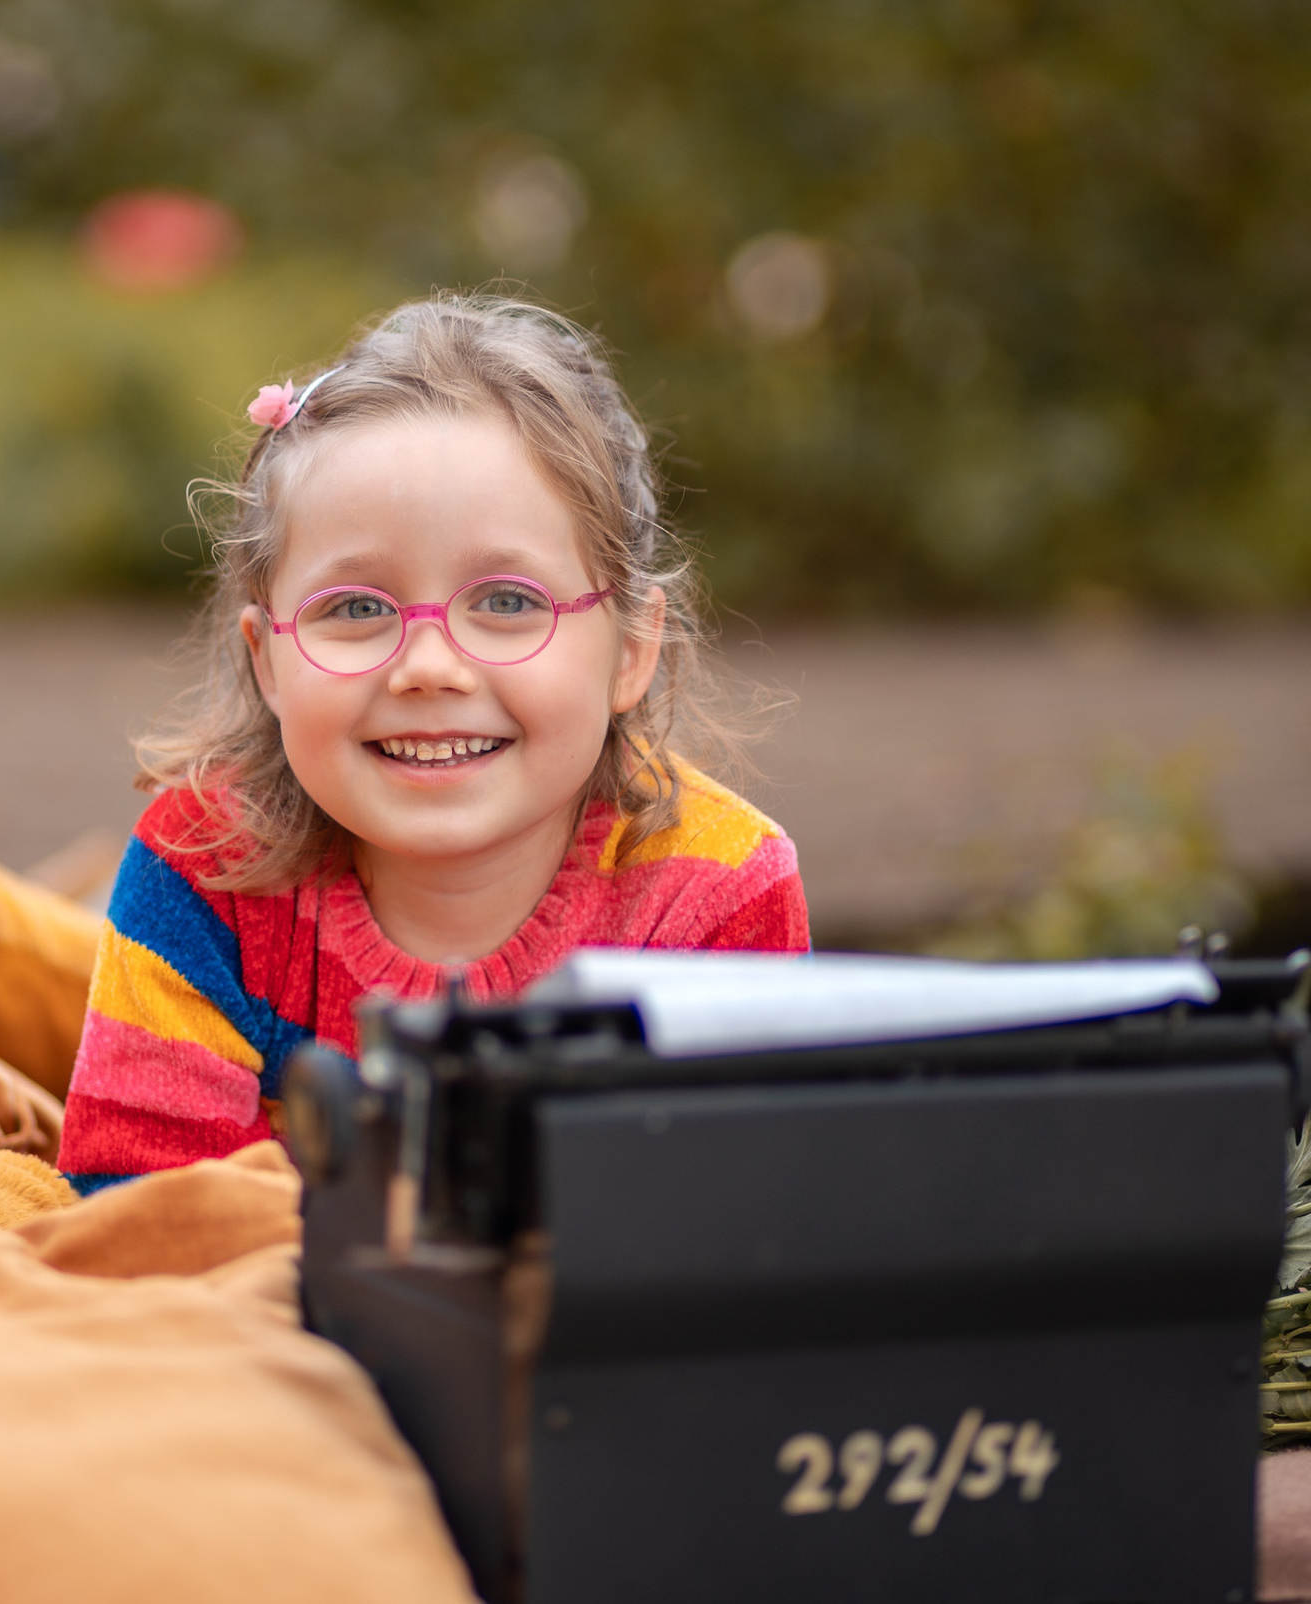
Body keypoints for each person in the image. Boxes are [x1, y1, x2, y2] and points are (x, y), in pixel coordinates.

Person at [56, 294, 808, 1192]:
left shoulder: (717, 894)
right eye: (358, 609)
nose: (428, 667)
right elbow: (134, 1207)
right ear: (267, 660)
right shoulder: (204, 867)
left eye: (506, 603)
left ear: (631, 651)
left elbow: (744, 1206)